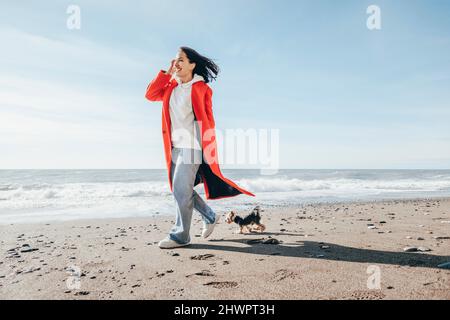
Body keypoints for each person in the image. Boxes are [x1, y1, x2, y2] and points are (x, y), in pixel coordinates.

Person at [145, 46, 254, 249]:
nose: (176, 63)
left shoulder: (201, 88)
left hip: (193, 145)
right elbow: (151, 95)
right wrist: (165, 74)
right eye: (175, 59)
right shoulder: (170, 87)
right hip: (174, 147)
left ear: (192, 65)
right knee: (180, 190)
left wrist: (209, 148)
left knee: (180, 189)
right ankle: (209, 215)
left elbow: (208, 119)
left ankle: (181, 235)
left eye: (181, 60)